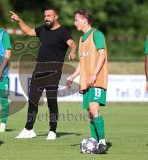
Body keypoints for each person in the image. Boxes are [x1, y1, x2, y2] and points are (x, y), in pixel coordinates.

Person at [10, 7, 77, 140]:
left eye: (49, 16)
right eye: (45, 15)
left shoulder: (62, 31)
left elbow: (72, 43)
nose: (46, 18)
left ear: (56, 17)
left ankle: (52, 130)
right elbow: (29, 31)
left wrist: (73, 51)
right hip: (38, 70)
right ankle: (29, 129)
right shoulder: (43, 29)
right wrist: (19, 20)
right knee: (33, 101)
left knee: (51, 101)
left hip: (54, 72)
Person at [67, 9, 108, 154]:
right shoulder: (81, 39)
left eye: (77, 19)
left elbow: (102, 55)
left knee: (94, 109)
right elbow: (82, 63)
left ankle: (102, 142)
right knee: (90, 113)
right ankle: (95, 141)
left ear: (85, 20)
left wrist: (94, 74)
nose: (75, 23)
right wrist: (72, 76)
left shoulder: (96, 34)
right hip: (86, 82)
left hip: (96, 79)